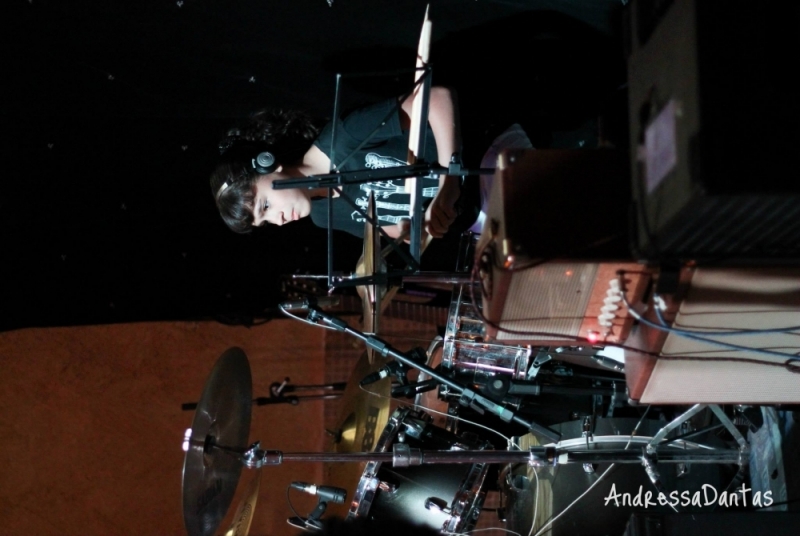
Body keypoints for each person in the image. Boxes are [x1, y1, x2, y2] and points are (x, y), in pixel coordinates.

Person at [210, 87, 478, 243]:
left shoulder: (344, 138)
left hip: (489, 155)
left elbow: (438, 99)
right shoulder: (323, 216)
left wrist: (449, 180)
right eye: (265, 221)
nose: (277, 221)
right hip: (477, 217)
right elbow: (394, 231)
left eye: (265, 206)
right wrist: (409, 233)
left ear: (268, 164)